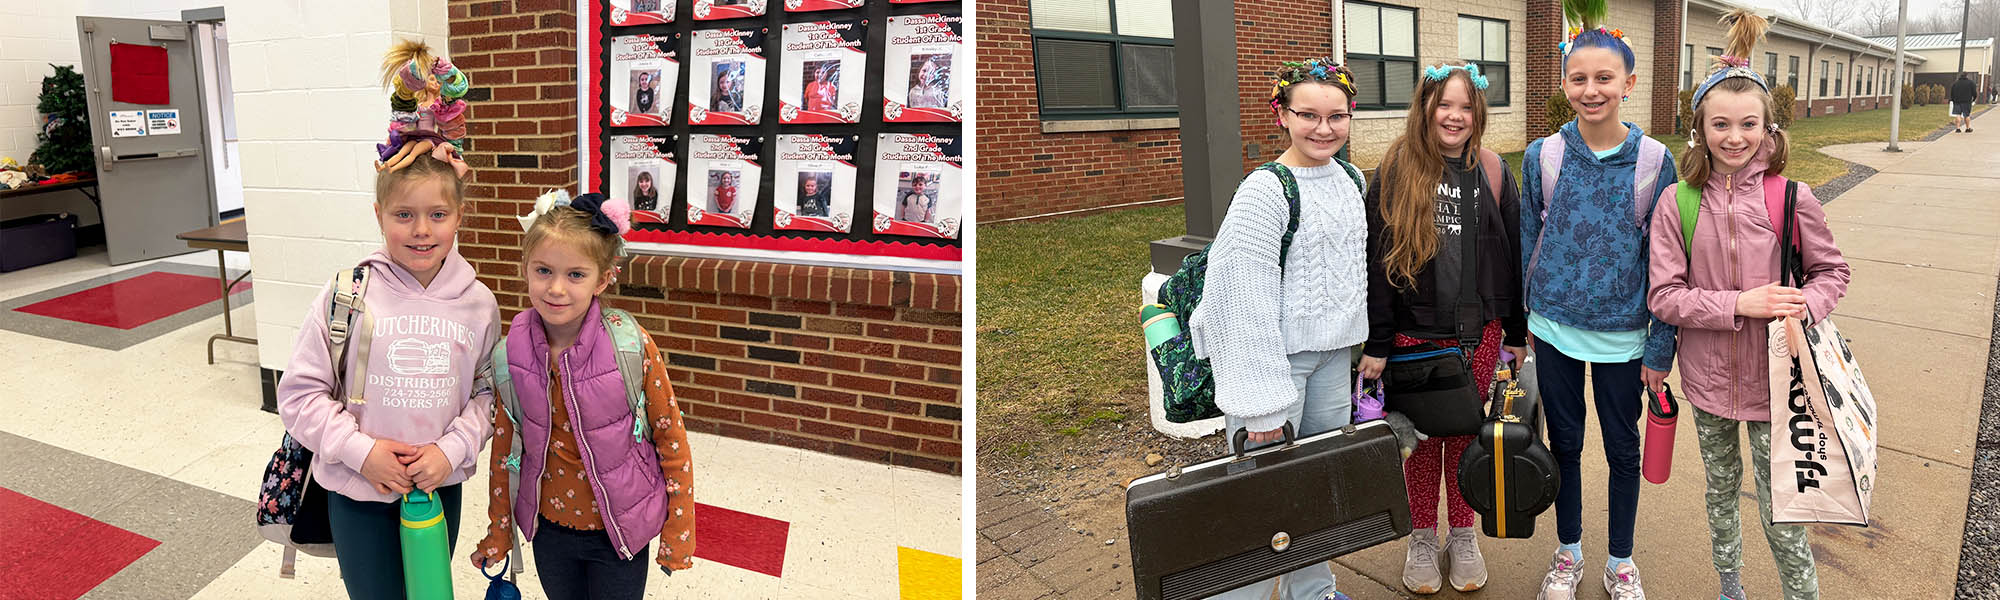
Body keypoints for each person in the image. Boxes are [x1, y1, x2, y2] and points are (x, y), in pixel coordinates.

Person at [276, 40, 497, 600]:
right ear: (379, 215)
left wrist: (448, 452)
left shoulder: (479, 304)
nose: (421, 230)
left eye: (437, 215)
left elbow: (490, 396)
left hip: (437, 488)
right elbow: (300, 393)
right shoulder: (348, 292)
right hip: (355, 490)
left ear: (459, 216)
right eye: (404, 215)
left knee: (428, 593)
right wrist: (361, 452)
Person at [1648, 11, 1850, 600]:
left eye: (1748, 124)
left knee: (1783, 504)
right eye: (1720, 125)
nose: (1734, 137)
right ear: (1699, 129)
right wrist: (1743, 302)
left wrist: (1800, 307)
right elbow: (1665, 296)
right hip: (1707, 384)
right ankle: (1729, 587)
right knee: (1719, 491)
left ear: (1769, 128)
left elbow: (1831, 272)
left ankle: (1800, 594)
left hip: (1779, 388)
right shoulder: (1677, 203)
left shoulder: (1791, 196)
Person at [1185, 56, 1368, 600]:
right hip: (1274, 366)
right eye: (1308, 114)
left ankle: (1313, 590)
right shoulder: (1266, 191)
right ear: (1281, 114)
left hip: (1334, 359)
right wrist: (1262, 404)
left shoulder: (1351, 179)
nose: (1324, 128)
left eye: (1337, 116)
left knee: (1316, 485)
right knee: (1257, 498)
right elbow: (1242, 299)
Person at [1519, 1, 1679, 597]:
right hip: (1555, 329)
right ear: (1564, 84)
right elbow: (1528, 243)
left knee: (1621, 449)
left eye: (1604, 78)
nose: (1591, 90)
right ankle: (1568, 553)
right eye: (1579, 78)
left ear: (1628, 84)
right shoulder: (1544, 156)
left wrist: (1660, 348)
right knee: (1564, 442)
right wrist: (1524, 326)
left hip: (1624, 337)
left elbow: (1668, 265)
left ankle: (1620, 561)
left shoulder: (1655, 162)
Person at [470, 191, 697, 599]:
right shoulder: (510, 355)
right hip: (550, 531)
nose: (556, 288)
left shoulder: (630, 345)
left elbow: (670, 438)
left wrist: (679, 525)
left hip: (620, 532)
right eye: (543, 270)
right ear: (525, 268)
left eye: (575, 274)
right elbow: (505, 451)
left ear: (604, 278)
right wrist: (499, 528)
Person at [1357, 61, 1522, 596]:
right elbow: (1377, 264)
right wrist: (1379, 343)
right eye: (1443, 104)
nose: (1455, 116)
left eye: (1466, 106)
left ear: (1479, 113)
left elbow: (1513, 258)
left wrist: (1516, 336)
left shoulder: (1494, 172)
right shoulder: (1397, 170)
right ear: (1425, 109)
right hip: (1414, 337)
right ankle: (1424, 536)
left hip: (1482, 334)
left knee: (1472, 437)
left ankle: (1463, 534)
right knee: (1424, 444)